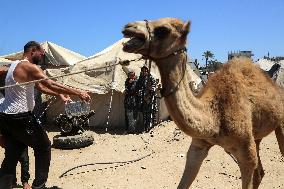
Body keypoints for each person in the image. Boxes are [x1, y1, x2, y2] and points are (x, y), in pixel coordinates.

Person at [0, 41, 91, 189]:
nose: (43, 56)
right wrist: (78, 92)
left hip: (6, 117)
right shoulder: (28, 66)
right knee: (44, 146)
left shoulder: (15, 66)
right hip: (20, 117)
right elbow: (50, 83)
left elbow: (40, 87)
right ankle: (39, 186)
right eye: (41, 53)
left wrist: (60, 95)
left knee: (13, 153)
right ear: (32, 51)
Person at [136, 65, 157, 132]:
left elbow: (154, 85)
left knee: (150, 112)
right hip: (143, 98)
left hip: (150, 98)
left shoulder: (150, 78)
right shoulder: (140, 78)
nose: (144, 72)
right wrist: (139, 90)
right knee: (144, 113)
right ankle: (145, 127)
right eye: (143, 71)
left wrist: (152, 88)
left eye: (145, 71)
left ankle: (150, 127)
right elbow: (137, 86)